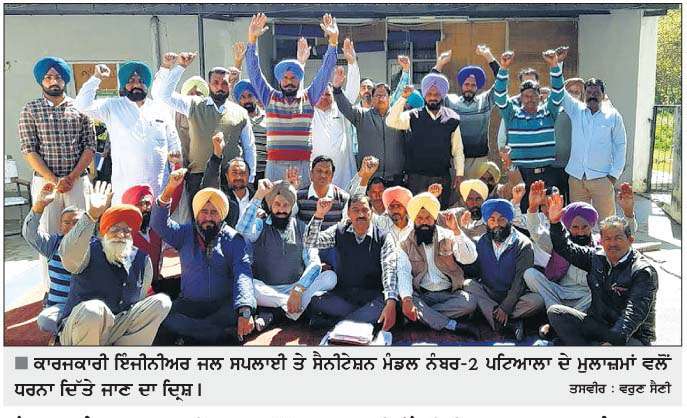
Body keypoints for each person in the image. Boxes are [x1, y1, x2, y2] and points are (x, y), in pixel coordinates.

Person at [57, 181, 171, 345]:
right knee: (94, 309)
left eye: (126, 230)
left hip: (117, 326)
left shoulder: (142, 259)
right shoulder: (88, 250)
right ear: (104, 232)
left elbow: (138, 300)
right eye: (115, 228)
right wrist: (91, 215)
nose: (121, 234)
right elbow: (67, 255)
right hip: (80, 328)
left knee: (161, 302)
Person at [151, 169, 257, 344]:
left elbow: (243, 275)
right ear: (196, 213)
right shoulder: (185, 233)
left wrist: (245, 310)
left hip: (221, 307)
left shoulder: (234, 239)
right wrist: (169, 189)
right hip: (189, 304)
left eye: (214, 212)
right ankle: (210, 335)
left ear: (221, 215)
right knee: (162, 318)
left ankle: (192, 335)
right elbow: (158, 224)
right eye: (204, 211)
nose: (208, 217)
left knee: (232, 316)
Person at [19, 56, 96, 291]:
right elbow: (28, 149)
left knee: (82, 230)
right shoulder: (30, 109)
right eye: (48, 77)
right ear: (41, 81)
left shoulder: (80, 108)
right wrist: (54, 180)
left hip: (77, 181)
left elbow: (90, 146)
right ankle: (52, 288)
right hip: (46, 184)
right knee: (48, 233)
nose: (54, 81)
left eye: (58, 77)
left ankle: (84, 283)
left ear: (65, 80)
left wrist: (71, 177)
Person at [546, 192, 657, 346]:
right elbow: (566, 248)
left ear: (630, 240)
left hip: (631, 334)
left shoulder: (643, 271)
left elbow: (633, 314)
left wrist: (613, 341)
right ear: (601, 241)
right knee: (556, 312)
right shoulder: (596, 257)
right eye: (607, 239)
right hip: (600, 326)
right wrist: (555, 222)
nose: (612, 244)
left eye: (618, 238)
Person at [245, 13, 339, 185]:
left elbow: (326, 72)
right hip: (274, 166)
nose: (289, 82)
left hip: (301, 166)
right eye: (285, 78)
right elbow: (254, 73)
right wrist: (252, 40)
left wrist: (333, 42)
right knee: (273, 202)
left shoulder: (309, 97)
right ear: (280, 80)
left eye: (293, 78)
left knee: (301, 202)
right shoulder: (269, 97)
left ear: (299, 79)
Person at [154, 51, 256, 205]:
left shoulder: (240, 112)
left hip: (232, 179)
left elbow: (249, 147)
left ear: (230, 85)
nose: (220, 87)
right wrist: (180, 67)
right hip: (198, 177)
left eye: (224, 83)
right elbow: (164, 95)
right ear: (209, 85)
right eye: (215, 83)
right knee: (201, 218)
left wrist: (250, 178)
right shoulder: (194, 104)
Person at [73, 61, 181, 203]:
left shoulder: (159, 109)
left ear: (147, 85)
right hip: (125, 188)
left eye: (141, 81)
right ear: (124, 85)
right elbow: (81, 105)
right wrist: (96, 78)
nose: (136, 85)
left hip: (158, 188)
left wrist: (176, 163)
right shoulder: (112, 106)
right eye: (131, 81)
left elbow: (173, 140)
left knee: (158, 217)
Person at [236, 179, 337, 323]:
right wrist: (258, 196)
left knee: (330, 277)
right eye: (277, 204)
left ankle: (282, 310)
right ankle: (294, 308)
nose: (281, 210)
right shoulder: (260, 225)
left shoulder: (301, 227)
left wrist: (298, 290)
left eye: (286, 205)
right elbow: (242, 230)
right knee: (248, 285)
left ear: (292, 206)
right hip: (267, 289)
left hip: (297, 288)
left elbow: (314, 262)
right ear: (270, 205)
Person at [304, 194, 399, 331]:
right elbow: (310, 242)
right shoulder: (339, 231)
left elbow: (389, 270)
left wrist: (390, 302)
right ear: (348, 213)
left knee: (382, 307)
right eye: (355, 210)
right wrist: (319, 215)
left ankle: (337, 324)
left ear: (371, 213)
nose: (361, 214)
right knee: (316, 300)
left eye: (365, 210)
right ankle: (358, 321)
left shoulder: (383, 237)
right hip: (344, 296)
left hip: (372, 297)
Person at [397, 192, 480, 337]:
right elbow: (403, 272)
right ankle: (453, 325)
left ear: (435, 219)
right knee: (405, 299)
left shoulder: (448, 235)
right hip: (422, 295)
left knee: (470, 302)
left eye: (428, 218)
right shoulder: (405, 242)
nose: (424, 222)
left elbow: (469, 258)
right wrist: (407, 300)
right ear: (414, 220)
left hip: (448, 294)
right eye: (419, 218)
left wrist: (456, 231)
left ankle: (424, 317)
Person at [494, 48, 566, 213]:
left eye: (534, 95)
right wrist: (503, 68)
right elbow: (499, 96)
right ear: (520, 98)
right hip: (521, 176)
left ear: (540, 97)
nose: (530, 99)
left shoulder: (549, 112)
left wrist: (554, 66)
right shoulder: (512, 114)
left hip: (548, 174)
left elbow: (558, 93)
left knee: (550, 217)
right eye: (526, 96)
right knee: (524, 217)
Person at [463, 199, 544, 340]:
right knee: (468, 285)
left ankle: (493, 316)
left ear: (509, 220)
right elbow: (474, 269)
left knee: (537, 301)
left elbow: (520, 281)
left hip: (515, 296)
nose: (496, 224)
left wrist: (506, 307)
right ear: (486, 222)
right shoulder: (480, 242)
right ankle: (509, 322)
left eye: (501, 219)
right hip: (489, 293)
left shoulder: (523, 244)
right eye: (492, 220)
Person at [386, 75, 464, 208]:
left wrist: (460, 173)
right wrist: (403, 98)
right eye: (429, 94)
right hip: (416, 179)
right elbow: (391, 121)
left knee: (439, 214)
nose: (433, 97)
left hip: (441, 177)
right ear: (424, 95)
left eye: (436, 94)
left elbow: (457, 149)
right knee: (417, 213)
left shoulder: (452, 118)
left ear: (442, 95)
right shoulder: (413, 115)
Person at [333, 56, 412, 186]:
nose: (380, 98)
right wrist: (337, 89)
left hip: (396, 178)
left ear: (389, 98)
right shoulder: (362, 116)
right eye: (377, 95)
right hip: (369, 179)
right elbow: (345, 107)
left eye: (383, 95)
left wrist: (406, 70)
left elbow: (402, 92)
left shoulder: (398, 117)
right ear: (372, 98)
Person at [561, 68, 627, 221]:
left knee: (608, 223)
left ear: (603, 95)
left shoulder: (613, 116)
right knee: (578, 221)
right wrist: (556, 65)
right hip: (576, 179)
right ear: (584, 94)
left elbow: (620, 145)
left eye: (596, 92)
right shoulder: (576, 110)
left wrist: (613, 175)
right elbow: (560, 92)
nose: (592, 95)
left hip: (602, 178)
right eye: (589, 92)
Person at [22, 183, 83, 334]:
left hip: (86, 305)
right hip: (60, 306)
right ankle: (70, 327)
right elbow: (30, 234)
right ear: (60, 226)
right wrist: (40, 205)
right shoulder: (53, 244)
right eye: (67, 223)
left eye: (76, 223)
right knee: (45, 321)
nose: (72, 227)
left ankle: (70, 328)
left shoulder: (95, 245)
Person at [432, 46, 500, 178]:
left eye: (473, 85)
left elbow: (501, 83)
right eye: (467, 84)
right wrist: (439, 65)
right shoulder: (450, 101)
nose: (469, 88)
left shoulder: (485, 100)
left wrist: (489, 57)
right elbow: (432, 89)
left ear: (477, 87)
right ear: (461, 85)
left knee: (478, 191)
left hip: (479, 160)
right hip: (456, 161)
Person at [310, 39, 360, 188]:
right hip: (316, 181)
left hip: (344, 179)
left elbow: (352, 91)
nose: (324, 97)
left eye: (327, 94)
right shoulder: (307, 111)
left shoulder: (341, 108)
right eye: (320, 94)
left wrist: (352, 63)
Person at [200, 133, 255, 227]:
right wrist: (217, 153)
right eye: (234, 173)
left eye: (242, 173)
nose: (238, 177)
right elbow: (210, 185)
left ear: (249, 175)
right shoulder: (222, 198)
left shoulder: (257, 198)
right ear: (227, 176)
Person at [552, 77, 585, 203]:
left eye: (577, 92)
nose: (573, 95)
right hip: (555, 166)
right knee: (557, 203)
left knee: (574, 204)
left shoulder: (584, 114)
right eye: (570, 91)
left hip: (576, 168)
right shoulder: (554, 111)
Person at [121, 184, 164, 281]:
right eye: (139, 204)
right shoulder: (122, 236)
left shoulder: (156, 229)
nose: (145, 208)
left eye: (147, 203)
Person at [296, 155, 350, 229]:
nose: (323, 175)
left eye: (327, 172)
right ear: (311, 174)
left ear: (332, 176)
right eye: (319, 171)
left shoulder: (343, 197)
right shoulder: (298, 197)